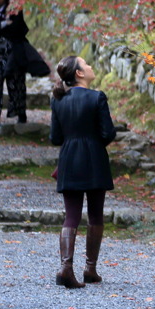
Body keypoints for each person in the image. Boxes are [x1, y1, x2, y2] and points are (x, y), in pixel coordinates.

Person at [50, 56, 116, 289]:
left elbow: (55, 137)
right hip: (94, 158)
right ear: (79, 73)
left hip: (68, 159)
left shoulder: (58, 100)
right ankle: (90, 269)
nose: (90, 66)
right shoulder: (97, 97)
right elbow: (108, 133)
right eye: (86, 64)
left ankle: (66, 268)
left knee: (71, 216)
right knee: (96, 214)